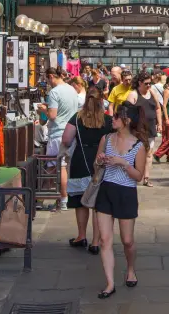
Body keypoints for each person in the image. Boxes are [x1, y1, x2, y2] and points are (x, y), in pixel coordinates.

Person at [94, 104, 148, 299]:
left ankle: (130, 269)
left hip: (126, 193)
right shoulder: (106, 139)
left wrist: (123, 163)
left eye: (117, 116)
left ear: (127, 121)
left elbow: (139, 176)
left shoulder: (138, 146)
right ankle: (110, 283)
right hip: (106, 190)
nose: (112, 119)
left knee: (127, 240)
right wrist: (100, 160)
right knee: (104, 240)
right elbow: (96, 165)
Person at [62, 87, 113, 254]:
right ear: (102, 101)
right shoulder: (108, 120)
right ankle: (96, 242)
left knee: (80, 202)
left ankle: (81, 236)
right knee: (98, 204)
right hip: (101, 161)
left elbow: (67, 139)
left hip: (80, 160)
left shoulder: (77, 118)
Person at [39, 67, 79, 211]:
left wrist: (43, 109)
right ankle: (47, 198)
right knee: (55, 167)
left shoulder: (54, 92)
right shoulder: (72, 89)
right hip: (72, 132)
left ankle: (63, 200)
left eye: (46, 79)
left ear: (51, 76)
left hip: (58, 134)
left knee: (60, 167)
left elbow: (53, 115)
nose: (47, 82)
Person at [126, 71, 162, 187]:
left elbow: (157, 108)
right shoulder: (133, 94)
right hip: (137, 129)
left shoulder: (152, 92)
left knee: (149, 153)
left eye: (150, 83)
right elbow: (127, 112)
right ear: (140, 83)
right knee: (134, 153)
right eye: (146, 84)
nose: (148, 86)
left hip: (150, 128)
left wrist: (159, 123)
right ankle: (133, 175)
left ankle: (146, 178)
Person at [153, 75, 169, 163]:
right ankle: (158, 153)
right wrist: (167, 119)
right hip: (168, 117)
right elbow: (164, 105)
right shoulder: (167, 91)